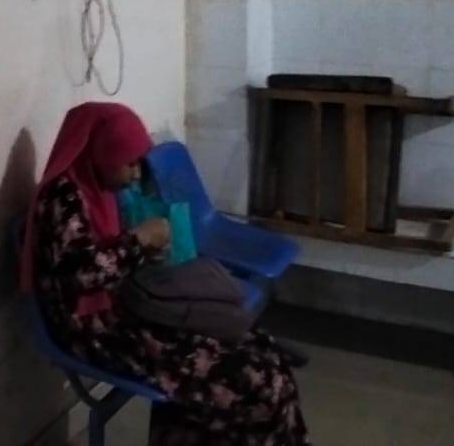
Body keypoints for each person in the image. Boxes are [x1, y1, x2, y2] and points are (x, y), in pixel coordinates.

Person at [21, 103, 310, 446]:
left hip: (129, 309)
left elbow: (109, 259)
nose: (135, 175)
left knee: (265, 354)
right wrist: (138, 241)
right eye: (129, 163)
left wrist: (147, 250)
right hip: (98, 330)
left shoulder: (98, 188)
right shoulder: (63, 197)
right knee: (259, 382)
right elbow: (80, 275)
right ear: (102, 153)